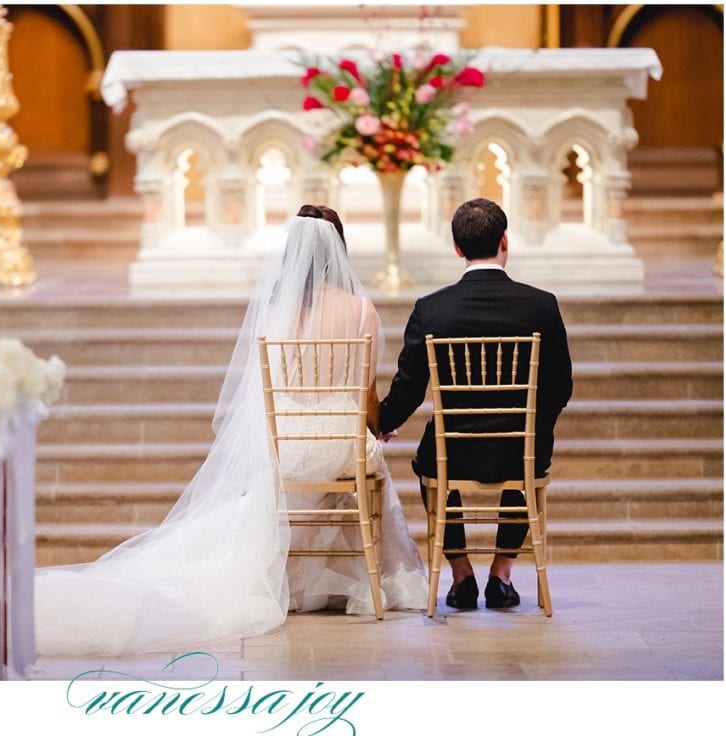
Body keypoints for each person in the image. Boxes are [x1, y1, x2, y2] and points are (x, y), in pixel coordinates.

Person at [34, 205, 426, 657]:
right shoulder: (361, 310)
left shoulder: (276, 310)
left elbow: (270, 393)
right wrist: (376, 429)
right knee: (363, 462)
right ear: (339, 249)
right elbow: (366, 395)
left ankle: (300, 579)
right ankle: (360, 582)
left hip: (288, 447)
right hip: (341, 447)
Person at [378, 197, 573, 610]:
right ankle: (501, 574)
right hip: (521, 448)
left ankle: (461, 573)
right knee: (530, 454)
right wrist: (534, 428)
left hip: (454, 450)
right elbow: (561, 386)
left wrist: (383, 421)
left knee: (429, 460)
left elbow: (410, 387)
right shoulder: (541, 305)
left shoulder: (432, 309)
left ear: (457, 248)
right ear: (505, 241)